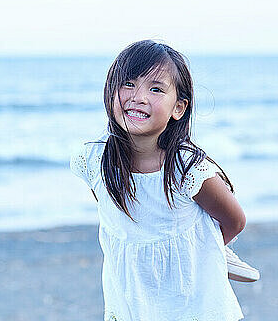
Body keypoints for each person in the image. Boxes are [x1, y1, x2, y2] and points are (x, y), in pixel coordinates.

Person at [70, 40, 256, 320]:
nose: (139, 97)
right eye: (129, 84)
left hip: (192, 303)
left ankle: (218, 254)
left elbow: (235, 221)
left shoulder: (186, 169)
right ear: (110, 92)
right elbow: (117, 213)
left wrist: (208, 249)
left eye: (156, 89)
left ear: (178, 108)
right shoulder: (95, 161)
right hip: (132, 301)